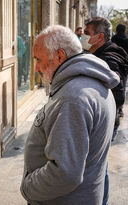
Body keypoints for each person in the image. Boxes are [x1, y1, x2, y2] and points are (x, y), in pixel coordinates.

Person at [20, 25, 119, 205]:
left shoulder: (73, 98)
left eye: (38, 59)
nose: (36, 68)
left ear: (59, 56)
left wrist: (28, 188)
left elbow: (64, 173)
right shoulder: (88, 84)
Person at [83, 16, 128, 205]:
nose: (84, 37)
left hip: (104, 122)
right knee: (99, 165)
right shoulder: (101, 52)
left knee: (99, 167)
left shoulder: (108, 58)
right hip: (103, 120)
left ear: (99, 36)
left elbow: (117, 94)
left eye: (87, 34)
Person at [112, 24, 128, 117]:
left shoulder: (114, 38)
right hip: (124, 67)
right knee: (123, 86)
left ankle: (114, 107)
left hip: (114, 64)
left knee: (113, 86)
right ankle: (120, 109)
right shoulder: (127, 40)